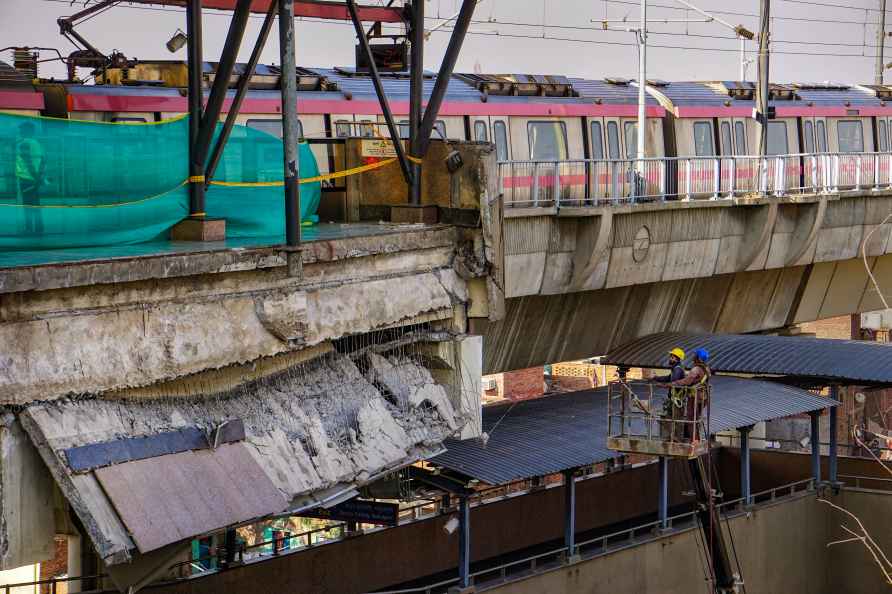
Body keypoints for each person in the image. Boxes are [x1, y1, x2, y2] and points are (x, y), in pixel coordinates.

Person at [671, 348, 712, 441]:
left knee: (691, 419)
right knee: (696, 418)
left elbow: (687, 381)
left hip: (695, 396)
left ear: (698, 357)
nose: (693, 357)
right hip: (704, 397)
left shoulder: (696, 369)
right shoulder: (707, 369)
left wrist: (674, 383)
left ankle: (694, 440)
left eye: (695, 355)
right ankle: (696, 439)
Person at [16, 122, 45, 234]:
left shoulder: (24, 144)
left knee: (27, 206)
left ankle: (29, 229)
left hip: (27, 180)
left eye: (22, 129)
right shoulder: (38, 144)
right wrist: (40, 177)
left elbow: (28, 162)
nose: (20, 132)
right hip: (35, 179)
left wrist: (35, 177)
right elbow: (43, 161)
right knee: (36, 205)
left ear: (28, 131)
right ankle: (39, 229)